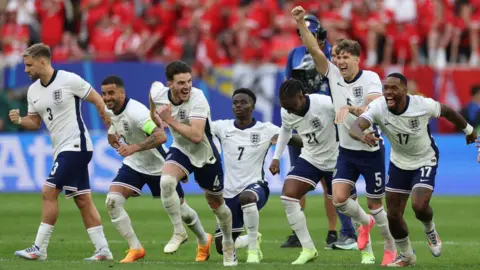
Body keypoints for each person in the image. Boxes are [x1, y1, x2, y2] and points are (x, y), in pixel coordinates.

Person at [292, 5, 396, 265]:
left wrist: (350, 108)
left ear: (357, 59)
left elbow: (373, 106)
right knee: (339, 199)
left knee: (376, 204)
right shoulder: (334, 75)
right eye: (337, 58)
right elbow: (315, 50)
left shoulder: (370, 78)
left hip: (371, 149)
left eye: (344, 58)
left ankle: (390, 246)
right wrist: (301, 23)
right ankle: (365, 227)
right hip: (347, 151)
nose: (339, 62)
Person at [349, 73, 478, 266]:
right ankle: (407, 255)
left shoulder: (422, 105)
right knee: (393, 214)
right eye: (386, 89)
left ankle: (430, 230)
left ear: (405, 90)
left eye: (394, 88)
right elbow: (356, 126)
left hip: (425, 159)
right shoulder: (378, 107)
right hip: (399, 163)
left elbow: (448, 112)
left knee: (419, 206)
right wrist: (362, 135)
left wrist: (468, 130)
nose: (389, 93)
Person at [9, 43, 113, 261]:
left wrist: (110, 126)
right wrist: (19, 120)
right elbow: (35, 122)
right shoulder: (33, 91)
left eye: (29, 65)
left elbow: (97, 99)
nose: (26, 70)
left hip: (77, 145)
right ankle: (103, 250)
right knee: (82, 199)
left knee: (48, 192)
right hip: (62, 149)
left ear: (42, 62)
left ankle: (39, 248)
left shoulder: (69, 79)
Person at [101, 75, 212, 263]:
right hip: (134, 163)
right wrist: (111, 133)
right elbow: (115, 123)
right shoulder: (109, 109)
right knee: (112, 201)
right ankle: (135, 248)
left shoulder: (137, 112)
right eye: (104, 94)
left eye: (111, 93)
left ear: (122, 92)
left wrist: (133, 147)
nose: (107, 98)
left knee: (183, 211)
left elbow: (160, 136)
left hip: (159, 165)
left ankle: (203, 239)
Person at [149, 60, 236, 266]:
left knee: (216, 204)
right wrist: (155, 117)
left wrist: (168, 120)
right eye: (180, 83)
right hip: (181, 149)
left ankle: (229, 244)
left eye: (188, 81)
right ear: (169, 83)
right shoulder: (160, 93)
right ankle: (179, 231)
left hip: (205, 153)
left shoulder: (198, 98)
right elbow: (152, 94)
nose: (186, 86)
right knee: (166, 182)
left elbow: (197, 136)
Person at [283, 13, 356, 250]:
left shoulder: (332, 57)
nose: (307, 37)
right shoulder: (293, 55)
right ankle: (298, 232)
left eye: (312, 33)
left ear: (319, 34)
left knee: (332, 182)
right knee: (298, 177)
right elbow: (288, 87)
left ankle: (337, 231)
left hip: (329, 120)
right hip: (303, 122)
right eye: (303, 32)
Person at [212, 88, 302, 263]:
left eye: (243, 102)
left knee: (247, 197)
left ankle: (253, 250)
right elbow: (199, 128)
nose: (238, 106)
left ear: (253, 106)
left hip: (256, 187)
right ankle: (253, 239)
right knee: (221, 246)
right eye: (235, 102)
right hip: (229, 193)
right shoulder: (222, 127)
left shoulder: (266, 129)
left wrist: (313, 140)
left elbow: (291, 138)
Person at [269, 79, 347, 265]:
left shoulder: (325, 103)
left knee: (344, 204)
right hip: (310, 158)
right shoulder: (286, 110)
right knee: (288, 195)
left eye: (292, 106)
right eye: (285, 107)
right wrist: (276, 157)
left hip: (335, 158)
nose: (289, 111)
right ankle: (308, 248)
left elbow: (348, 119)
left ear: (301, 97)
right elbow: (286, 130)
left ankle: (365, 241)